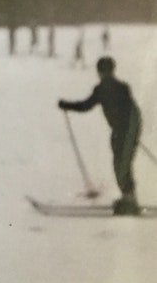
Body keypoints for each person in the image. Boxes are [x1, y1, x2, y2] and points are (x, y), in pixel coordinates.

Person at [59, 56, 141, 215]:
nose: (104, 74)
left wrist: (130, 131)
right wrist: (67, 105)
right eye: (103, 71)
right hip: (122, 130)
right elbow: (86, 105)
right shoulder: (105, 89)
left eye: (105, 71)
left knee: (122, 163)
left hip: (127, 128)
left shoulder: (119, 88)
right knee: (120, 162)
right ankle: (128, 197)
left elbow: (130, 111)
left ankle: (130, 200)